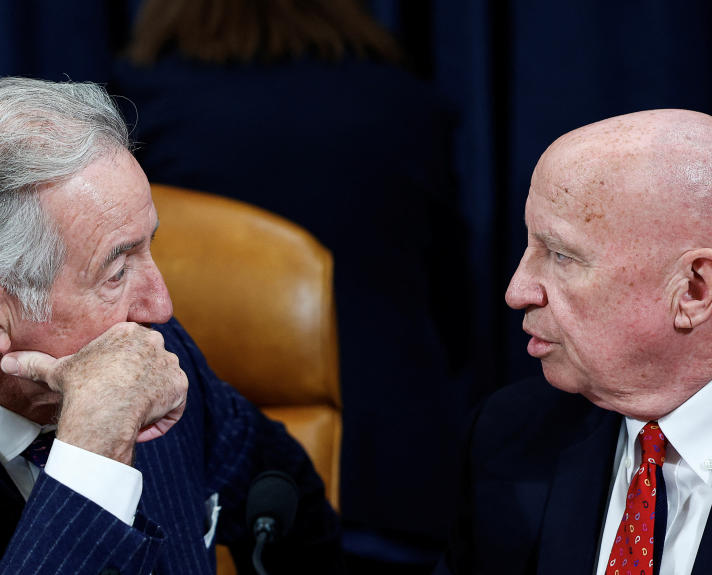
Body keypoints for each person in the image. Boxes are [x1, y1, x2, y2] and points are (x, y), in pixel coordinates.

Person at [0, 77, 341, 574]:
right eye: (116, 271)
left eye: (148, 248)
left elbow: (290, 504)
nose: (161, 306)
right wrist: (96, 445)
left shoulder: (154, 353)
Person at [111, 0, 472, 568]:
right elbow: (456, 315)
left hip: (188, 470)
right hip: (392, 472)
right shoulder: (405, 106)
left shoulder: (136, 106)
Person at [436, 109, 712, 574]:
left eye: (561, 255)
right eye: (529, 247)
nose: (517, 290)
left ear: (694, 290)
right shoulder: (507, 435)